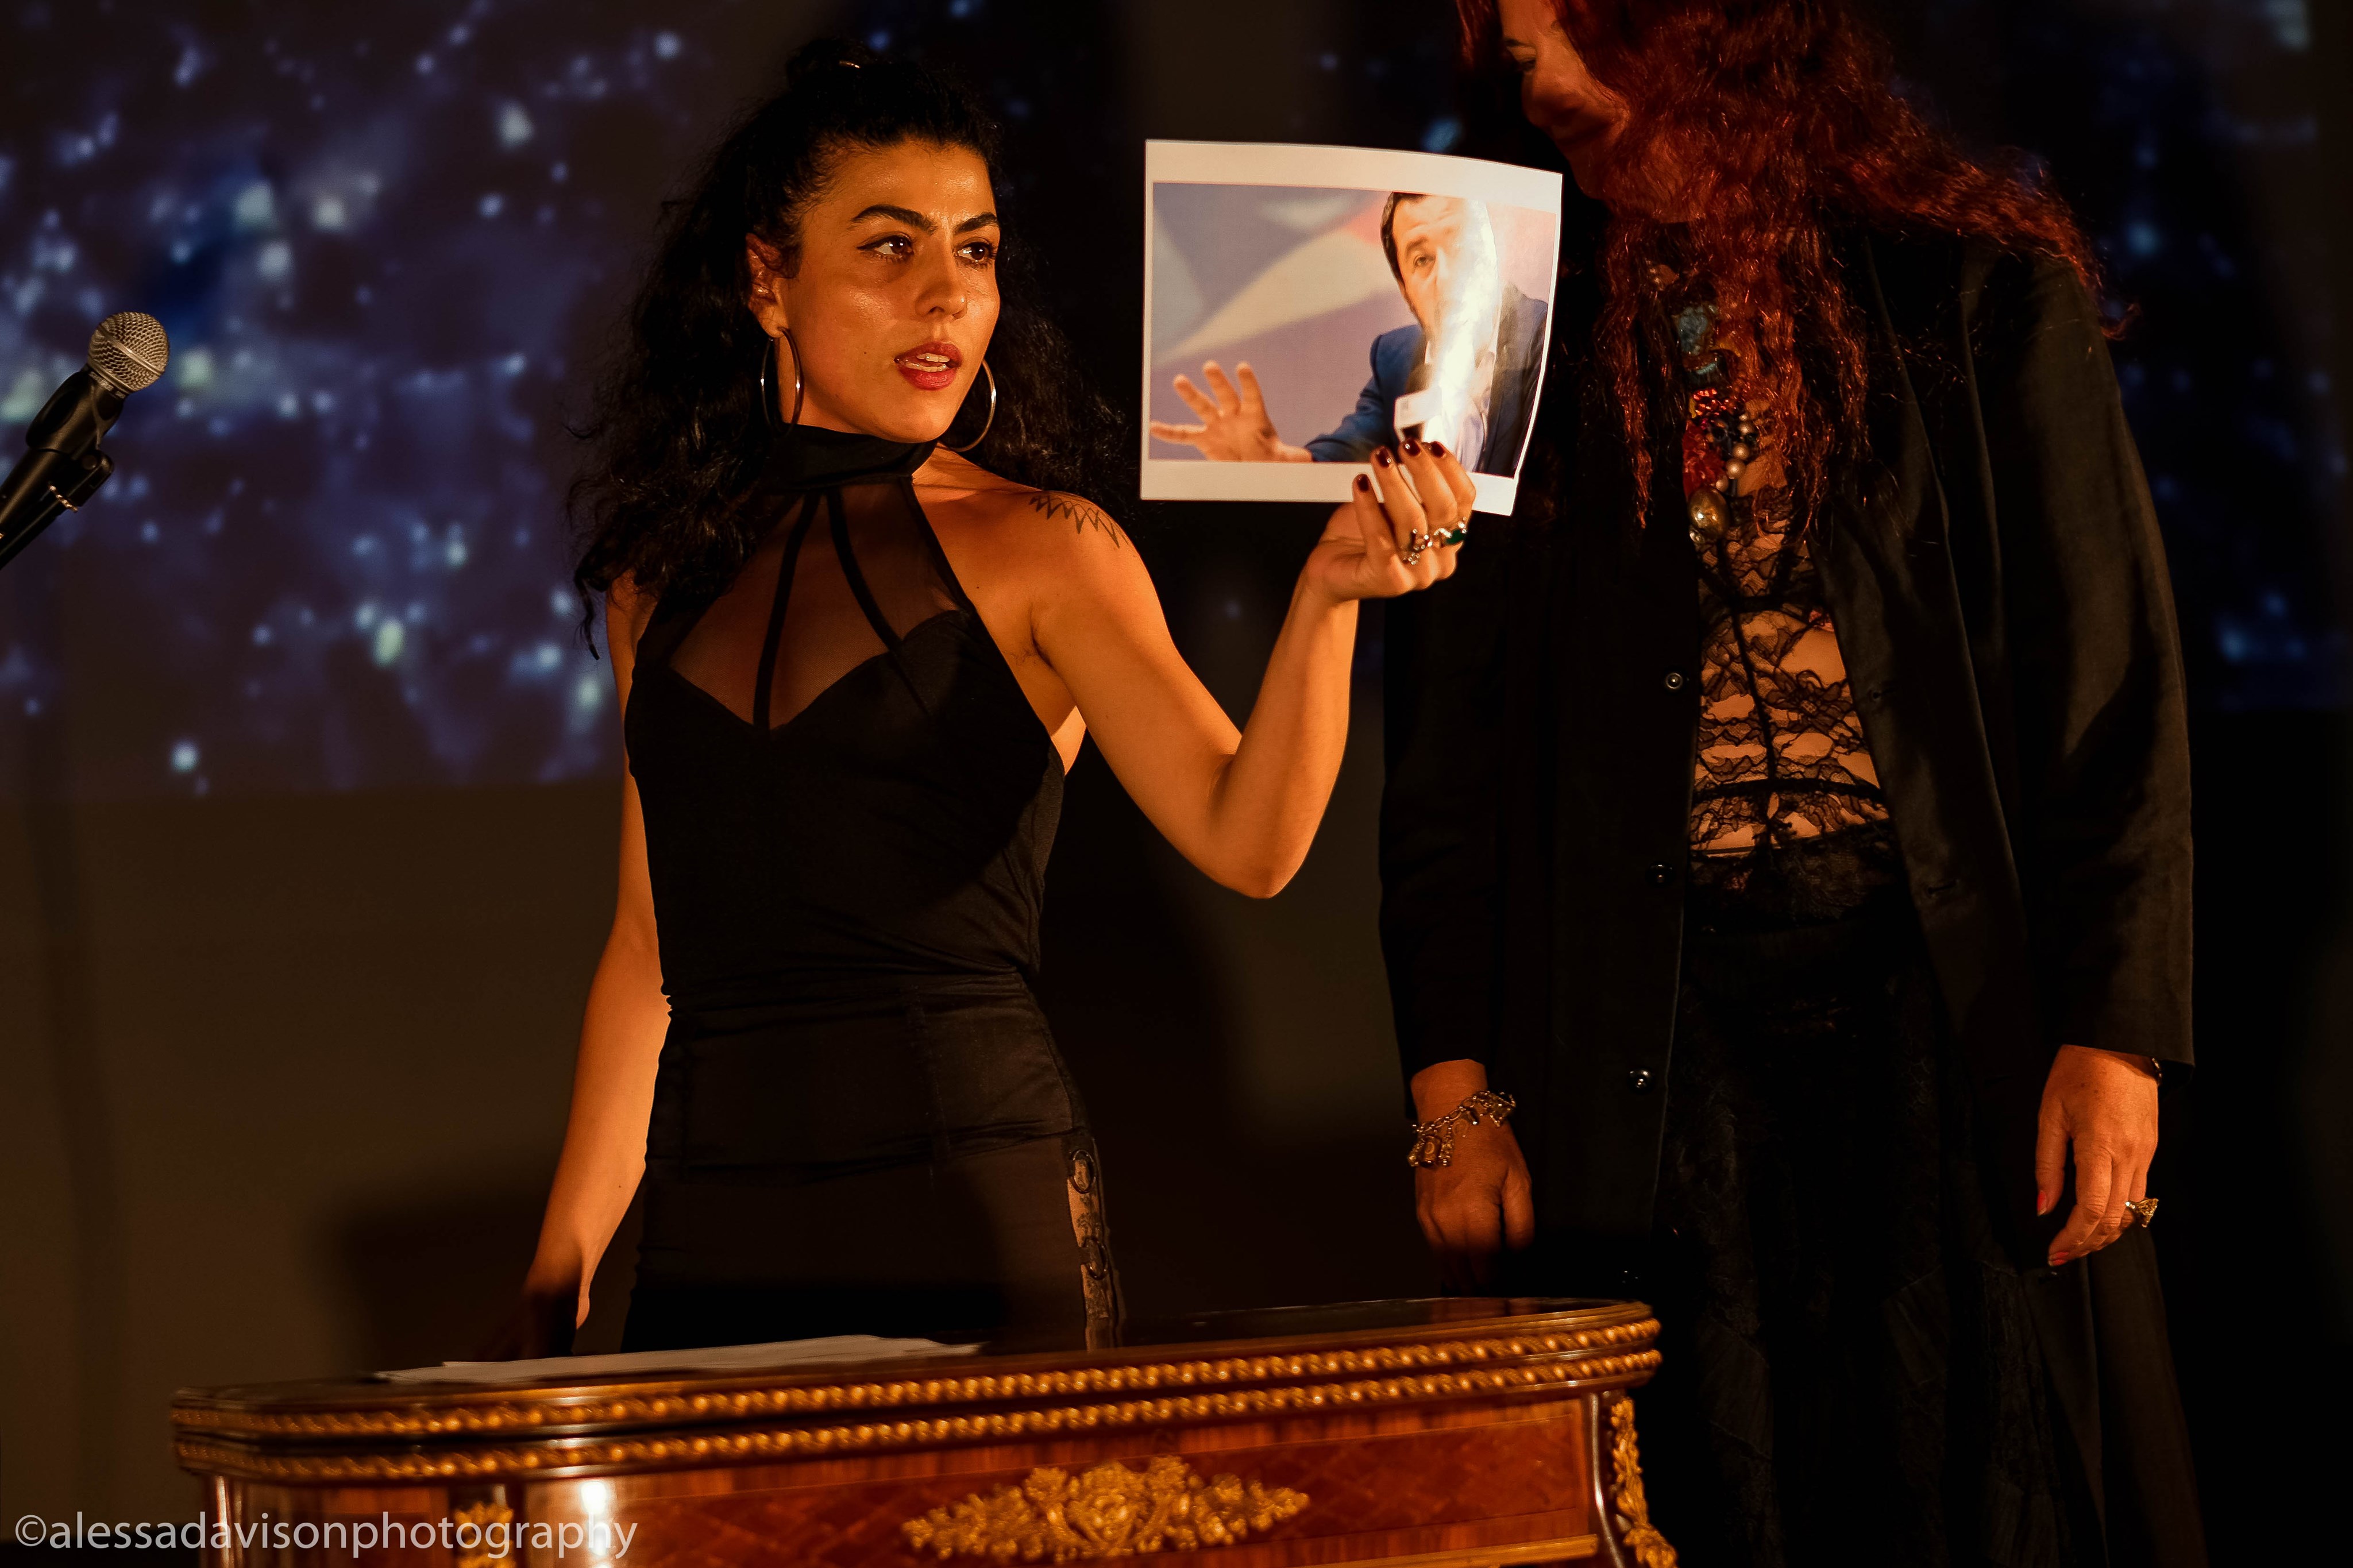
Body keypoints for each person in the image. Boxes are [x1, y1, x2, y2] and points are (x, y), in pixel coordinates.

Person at [1380, 2, 2205, 1566]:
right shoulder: (1509, 331)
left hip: (1948, 1014)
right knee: (1718, 1496)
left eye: (1571, 33)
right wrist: (1450, 1093)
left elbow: (2110, 692)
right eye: (1512, 45)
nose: (1538, 76)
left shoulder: (1969, 289)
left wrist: (2118, 1035)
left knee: (1974, 1481)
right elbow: (1443, 745)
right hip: (1657, 1036)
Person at [507, 41, 1473, 1358]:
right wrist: (556, 1275)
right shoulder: (658, 577)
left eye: (976, 250)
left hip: (963, 1197)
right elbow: (646, 954)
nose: (948, 295)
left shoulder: (1045, 548)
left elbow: (1250, 841)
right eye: (891, 248)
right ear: (765, 280)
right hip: (709, 1224)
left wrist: (1326, 601)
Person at [1149, 194, 1547, 476]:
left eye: (1461, 247)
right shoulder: (1394, 355)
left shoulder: (1546, 337)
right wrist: (1277, 461)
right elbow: (1353, 448)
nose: (1446, 278)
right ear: (1405, 290)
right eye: (1422, 259)